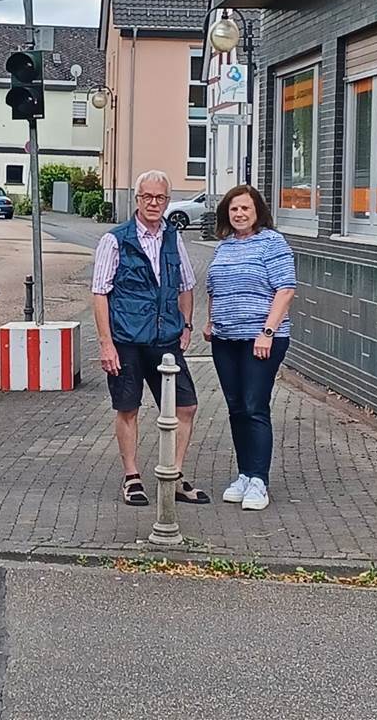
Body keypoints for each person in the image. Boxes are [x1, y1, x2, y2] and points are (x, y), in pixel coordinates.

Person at [92, 170, 210, 507]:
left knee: (186, 406)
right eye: (148, 197)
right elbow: (100, 293)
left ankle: (172, 475)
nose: (154, 203)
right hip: (126, 340)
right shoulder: (115, 240)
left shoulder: (173, 238)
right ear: (137, 199)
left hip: (165, 341)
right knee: (128, 408)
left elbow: (187, 284)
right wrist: (106, 343)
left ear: (168, 201)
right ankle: (132, 478)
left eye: (160, 198)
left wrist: (186, 326)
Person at [203, 184, 296, 511]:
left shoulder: (272, 243)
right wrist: (210, 321)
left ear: (257, 211)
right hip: (225, 339)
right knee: (236, 406)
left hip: (261, 339)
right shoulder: (224, 246)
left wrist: (267, 332)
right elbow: (214, 287)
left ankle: (259, 480)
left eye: (245, 208)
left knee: (255, 405)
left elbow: (285, 290)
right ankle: (244, 474)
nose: (239, 214)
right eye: (234, 209)